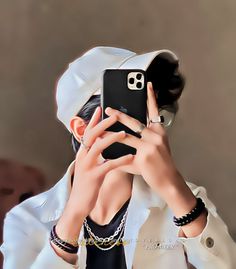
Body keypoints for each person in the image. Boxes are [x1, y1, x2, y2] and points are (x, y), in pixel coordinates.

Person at [1, 46, 236, 269]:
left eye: (156, 111)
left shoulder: (185, 201)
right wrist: (72, 218)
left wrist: (173, 188)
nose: (146, 124)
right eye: (132, 108)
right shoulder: (27, 219)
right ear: (81, 129)